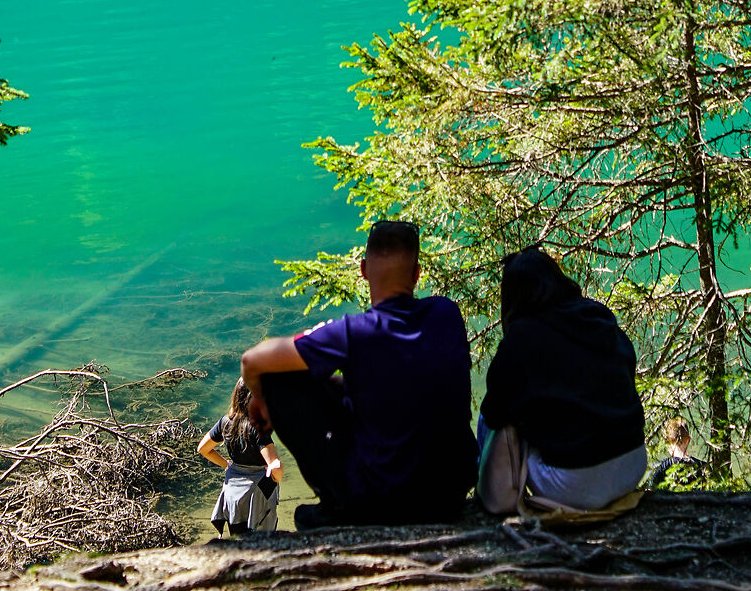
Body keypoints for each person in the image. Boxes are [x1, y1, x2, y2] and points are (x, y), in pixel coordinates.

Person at [240, 218, 475, 528]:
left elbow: (252, 361)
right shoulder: (447, 313)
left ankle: (337, 507)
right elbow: (399, 380)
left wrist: (260, 397)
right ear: (417, 274)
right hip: (450, 491)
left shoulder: (354, 332)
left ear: (363, 270)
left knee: (277, 379)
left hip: (379, 500)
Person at [476, 246, 646, 518]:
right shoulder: (598, 315)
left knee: (493, 414)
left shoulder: (522, 336)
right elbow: (627, 366)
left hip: (574, 485)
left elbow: (495, 411)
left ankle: (487, 493)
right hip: (633, 466)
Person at [199, 378, 281, 536]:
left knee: (238, 540)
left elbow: (203, 449)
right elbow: (276, 467)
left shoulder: (225, 422)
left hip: (233, 493)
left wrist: (226, 464)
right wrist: (275, 478)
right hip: (259, 492)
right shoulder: (258, 427)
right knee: (264, 542)